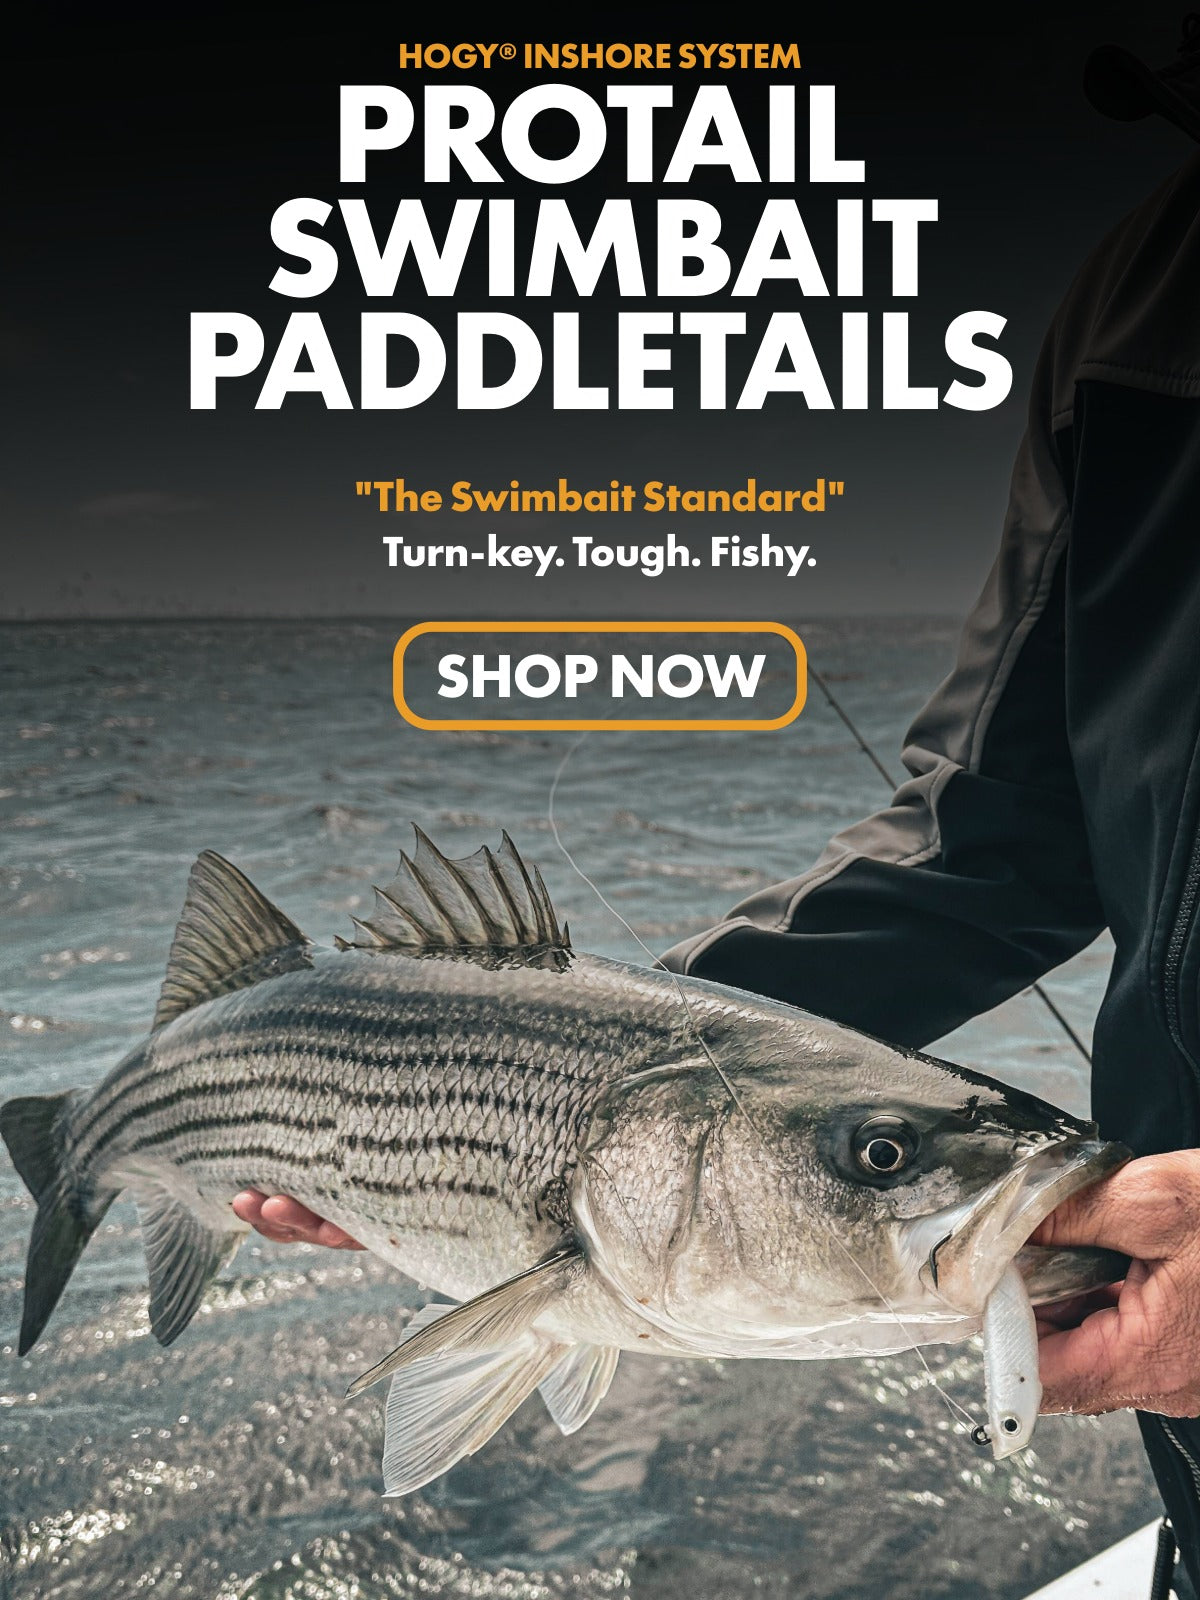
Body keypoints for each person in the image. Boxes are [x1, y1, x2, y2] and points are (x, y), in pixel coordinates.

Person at [232, 26, 1200, 1597]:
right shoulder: (1142, 301)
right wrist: (526, 1075)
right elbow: (991, 835)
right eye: (879, 1160)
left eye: (880, 1161)